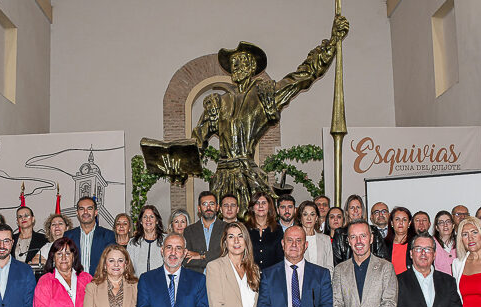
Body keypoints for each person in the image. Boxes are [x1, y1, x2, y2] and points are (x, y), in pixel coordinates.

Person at [148, 17, 349, 217]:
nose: (236, 66)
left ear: (252, 67)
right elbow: (197, 141)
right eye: (233, 63)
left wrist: (332, 42)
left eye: (241, 61)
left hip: (248, 177)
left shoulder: (264, 96)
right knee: (221, 229)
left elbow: (302, 77)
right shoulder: (219, 102)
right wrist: (175, 163)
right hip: (223, 178)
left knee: (255, 221)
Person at [65, 196, 117, 274]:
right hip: (74, 283)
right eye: (81, 209)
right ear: (77, 213)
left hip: (99, 283)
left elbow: (112, 263)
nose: (85, 212)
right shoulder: (68, 236)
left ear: (95, 212)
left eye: (89, 208)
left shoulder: (108, 236)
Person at [331, 194, 387, 265]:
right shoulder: (339, 234)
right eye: (352, 208)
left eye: (358, 207)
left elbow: (382, 259)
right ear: (347, 212)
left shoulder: (374, 231)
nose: (355, 210)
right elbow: (337, 263)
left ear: (362, 210)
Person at [184, 191, 225, 274]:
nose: (208, 207)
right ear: (199, 209)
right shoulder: (189, 231)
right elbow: (186, 260)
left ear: (217, 207)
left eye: (212, 204)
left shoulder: (227, 228)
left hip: (221, 278)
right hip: (197, 280)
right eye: (204, 204)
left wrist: (200, 256)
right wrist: (214, 257)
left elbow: (225, 253)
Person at [245, 191, 284, 269]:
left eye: (264, 203)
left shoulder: (277, 229)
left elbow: (280, 258)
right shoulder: (244, 228)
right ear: (252, 207)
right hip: (249, 275)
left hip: (272, 276)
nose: (260, 206)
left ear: (269, 206)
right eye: (257, 203)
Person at [127, 205, 165, 277]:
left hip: (161, 285)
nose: (148, 220)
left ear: (157, 221)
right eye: (145, 217)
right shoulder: (133, 243)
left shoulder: (166, 241)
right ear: (141, 221)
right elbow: (129, 268)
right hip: (139, 285)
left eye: (151, 217)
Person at [297, 200, 334, 273]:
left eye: (312, 214)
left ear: (316, 218)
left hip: (322, 282)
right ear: (300, 218)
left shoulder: (325, 239)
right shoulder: (295, 239)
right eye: (305, 214)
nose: (309, 218)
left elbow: (330, 267)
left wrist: (325, 282)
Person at [383, 206, 415, 274]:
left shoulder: (415, 243)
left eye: (404, 220)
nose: (401, 222)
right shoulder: (384, 244)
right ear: (391, 223)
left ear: (409, 223)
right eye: (397, 219)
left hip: (411, 282)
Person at [432, 210, 457, 275]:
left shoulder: (460, 242)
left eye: (448, 222)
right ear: (437, 227)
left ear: (453, 225)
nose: (445, 225)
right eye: (441, 223)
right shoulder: (431, 243)